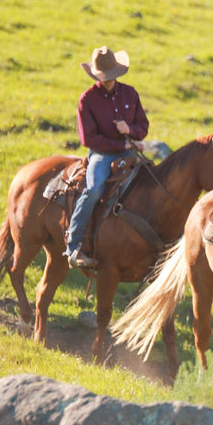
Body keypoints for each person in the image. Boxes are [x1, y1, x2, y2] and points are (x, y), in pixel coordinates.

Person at [65, 46, 149, 269]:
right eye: (105, 77)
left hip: (130, 150)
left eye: (112, 76)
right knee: (93, 190)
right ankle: (73, 247)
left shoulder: (130, 93)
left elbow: (143, 127)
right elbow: (89, 139)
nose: (109, 81)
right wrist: (120, 143)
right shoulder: (88, 99)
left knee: (153, 182)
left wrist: (129, 129)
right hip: (102, 155)